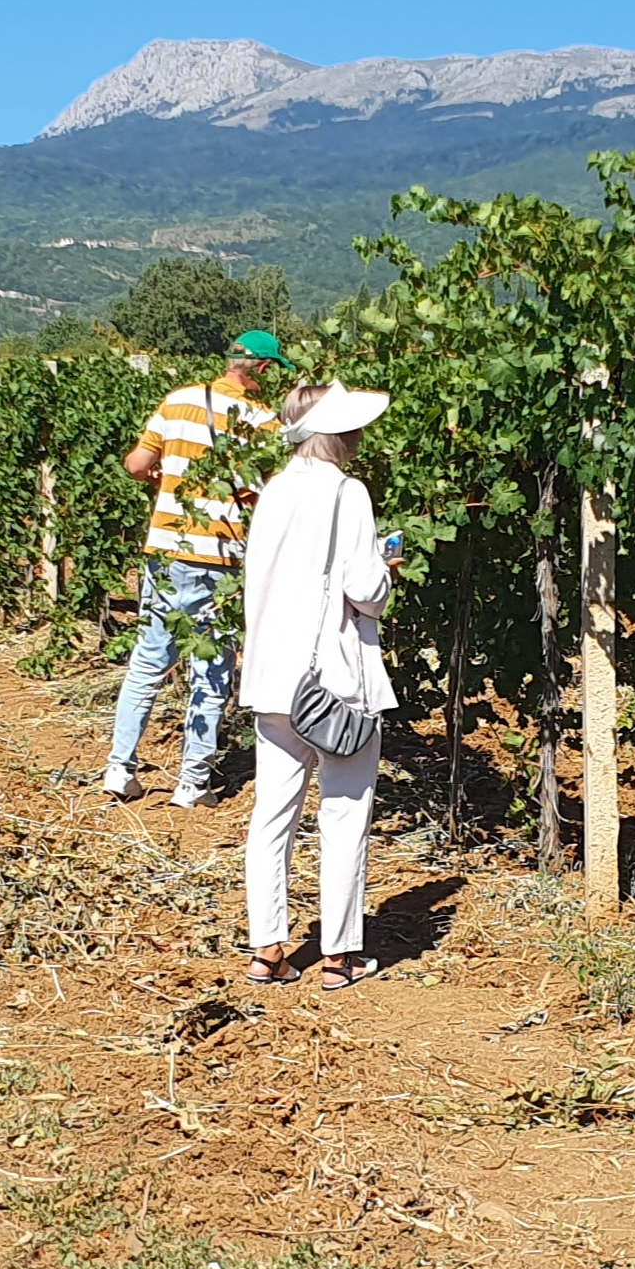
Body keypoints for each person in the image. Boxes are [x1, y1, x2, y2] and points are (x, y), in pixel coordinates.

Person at [237, 381, 396, 992]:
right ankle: (340, 954)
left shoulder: (272, 493)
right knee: (344, 815)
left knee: (271, 815)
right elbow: (365, 589)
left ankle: (267, 949)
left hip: (275, 679)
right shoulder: (348, 492)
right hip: (335, 683)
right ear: (339, 433)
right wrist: (386, 573)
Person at [103, 329, 289, 806]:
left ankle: (119, 769)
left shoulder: (178, 400)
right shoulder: (262, 421)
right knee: (211, 670)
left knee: (148, 662)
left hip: (165, 551)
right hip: (222, 558)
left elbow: (135, 464)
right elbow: (260, 493)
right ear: (263, 371)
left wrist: (166, 475)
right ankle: (192, 783)